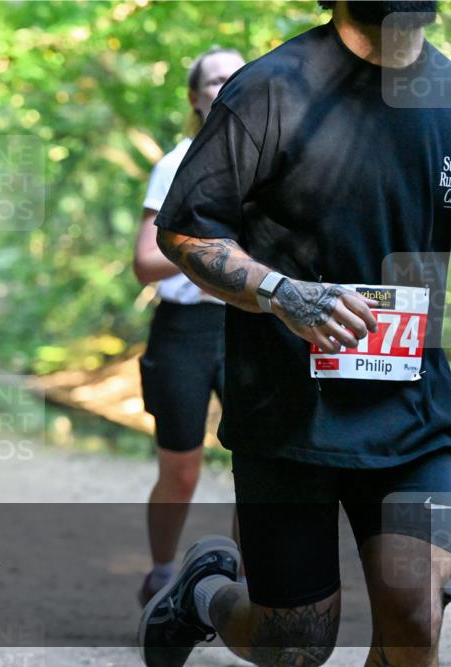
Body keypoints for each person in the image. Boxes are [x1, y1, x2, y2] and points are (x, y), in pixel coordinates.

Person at [138, 2, 451, 666]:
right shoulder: (272, 87)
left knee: (416, 612)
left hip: (416, 409)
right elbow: (184, 230)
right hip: (287, 407)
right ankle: (202, 593)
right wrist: (284, 293)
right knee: (295, 642)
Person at [133, 46, 245, 607]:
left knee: (259, 461)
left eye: (236, 78)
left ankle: (252, 581)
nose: (226, 87)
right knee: (180, 468)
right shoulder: (175, 164)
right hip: (183, 328)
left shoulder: (269, 160)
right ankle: (160, 574)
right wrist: (206, 261)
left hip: (248, 324)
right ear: (196, 98)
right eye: (215, 81)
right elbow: (145, 263)